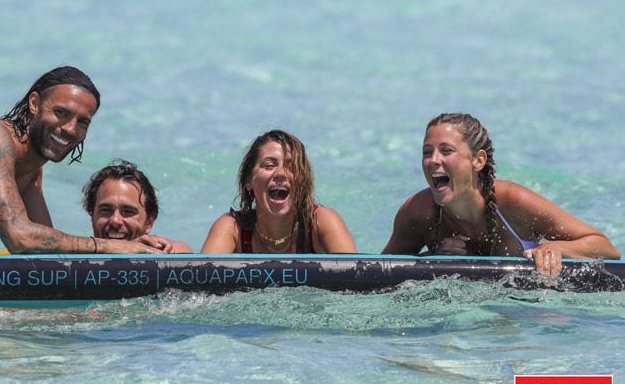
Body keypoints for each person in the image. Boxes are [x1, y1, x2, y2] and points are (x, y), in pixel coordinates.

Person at [0, 66, 164, 254]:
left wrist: (137, 249)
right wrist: (109, 246)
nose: (70, 129)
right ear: (34, 103)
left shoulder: (31, 172)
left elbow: (47, 251)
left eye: (83, 122)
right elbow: (20, 237)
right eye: (61, 113)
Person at [381, 113, 621, 276]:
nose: (433, 161)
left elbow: (607, 249)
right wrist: (432, 259)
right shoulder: (418, 213)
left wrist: (558, 249)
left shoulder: (513, 202)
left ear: (478, 160)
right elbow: (379, 274)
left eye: (446, 150)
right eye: (426, 152)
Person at [201, 129, 356, 253]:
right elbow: (199, 284)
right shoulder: (233, 229)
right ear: (249, 180)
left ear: (303, 181)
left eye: (291, 167)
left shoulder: (321, 222)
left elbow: (358, 281)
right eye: (269, 165)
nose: (281, 173)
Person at [82, 160, 192, 252]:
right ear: (92, 214)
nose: (115, 221)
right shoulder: (72, 257)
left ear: (149, 222)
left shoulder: (165, 251)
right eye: (105, 210)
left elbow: (181, 249)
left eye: (128, 211)